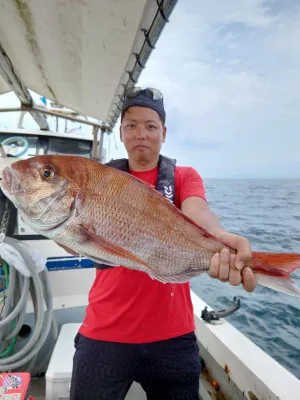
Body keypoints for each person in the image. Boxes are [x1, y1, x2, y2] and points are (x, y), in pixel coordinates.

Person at [69, 87, 257, 400]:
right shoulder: (100, 179)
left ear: (164, 132)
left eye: (150, 125)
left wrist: (217, 235)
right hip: (105, 331)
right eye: (131, 125)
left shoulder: (183, 176)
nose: (141, 133)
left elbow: (198, 212)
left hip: (174, 335)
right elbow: (77, 243)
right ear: (121, 132)